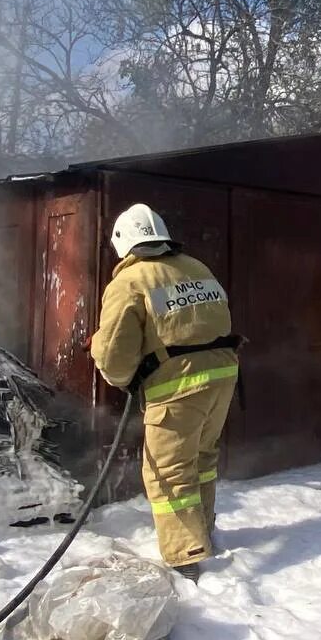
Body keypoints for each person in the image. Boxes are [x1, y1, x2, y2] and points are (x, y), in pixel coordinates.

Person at [90, 204, 241, 581]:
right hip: (222, 377)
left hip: (178, 387)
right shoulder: (197, 268)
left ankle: (185, 555)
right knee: (202, 459)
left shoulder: (128, 282)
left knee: (168, 473)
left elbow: (111, 352)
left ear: (123, 243)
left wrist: (123, 378)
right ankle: (204, 529)